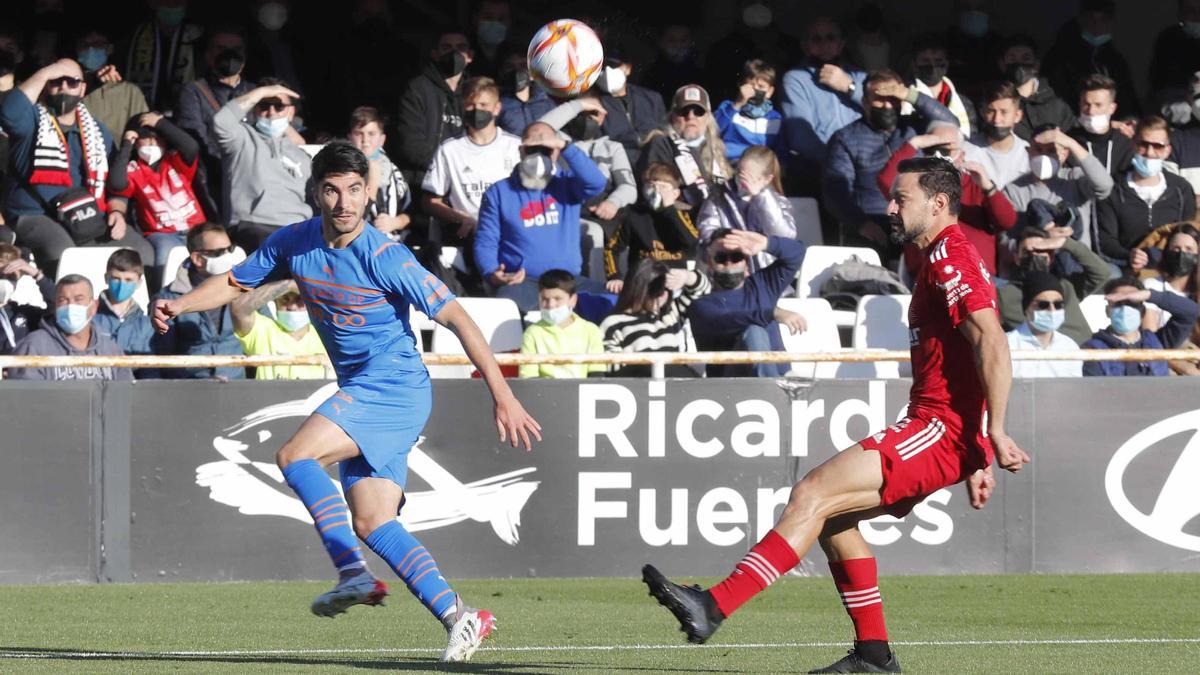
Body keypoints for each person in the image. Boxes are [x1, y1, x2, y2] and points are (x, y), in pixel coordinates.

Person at [151, 141, 541, 663]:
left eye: (355, 189)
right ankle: (459, 616)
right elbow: (233, 282)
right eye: (333, 190)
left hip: (393, 388)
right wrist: (178, 304)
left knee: (295, 456)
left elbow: (458, 318)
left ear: (367, 193)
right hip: (364, 387)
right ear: (316, 192)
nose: (345, 202)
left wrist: (503, 395)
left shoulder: (386, 256)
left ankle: (353, 573)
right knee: (373, 522)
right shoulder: (294, 242)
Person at [642, 157, 1030, 673]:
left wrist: (993, 431)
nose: (890, 208)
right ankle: (874, 656)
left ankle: (714, 606)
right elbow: (969, 354)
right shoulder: (940, 256)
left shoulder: (950, 257)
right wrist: (977, 446)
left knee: (811, 494)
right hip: (946, 431)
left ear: (938, 203)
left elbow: (991, 342)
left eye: (901, 199)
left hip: (939, 430)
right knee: (833, 520)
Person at [0, 58, 153, 279]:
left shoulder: (96, 130)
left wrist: (117, 212)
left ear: (82, 89)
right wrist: (47, 72)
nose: (63, 87)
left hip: (85, 214)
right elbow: (9, 111)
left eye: (71, 82)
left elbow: (116, 184)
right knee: (66, 256)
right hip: (34, 213)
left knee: (142, 253)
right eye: (56, 82)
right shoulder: (31, 119)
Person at [474, 122, 609, 312]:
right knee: (507, 308)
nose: (538, 155)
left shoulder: (567, 184)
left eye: (546, 149)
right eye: (532, 149)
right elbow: (486, 240)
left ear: (555, 152)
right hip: (524, 282)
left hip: (567, 281)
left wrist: (566, 147)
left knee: (609, 302)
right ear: (521, 151)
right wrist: (492, 272)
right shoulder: (499, 192)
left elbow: (596, 183)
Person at [823, 70, 956, 258]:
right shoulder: (845, 138)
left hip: (917, 221)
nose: (887, 105)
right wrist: (862, 224)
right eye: (879, 99)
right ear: (865, 101)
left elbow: (949, 121)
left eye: (892, 98)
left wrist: (908, 94)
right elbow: (835, 190)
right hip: (873, 222)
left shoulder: (913, 128)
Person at [878, 124, 1017, 277]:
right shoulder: (913, 185)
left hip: (974, 274)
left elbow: (1007, 222)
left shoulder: (976, 185)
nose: (938, 156)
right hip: (928, 275)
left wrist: (988, 188)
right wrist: (915, 143)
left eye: (945, 151)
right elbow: (886, 181)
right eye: (931, 150)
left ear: (961, 155)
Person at [422, 76, 520, 274]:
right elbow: (430, 201)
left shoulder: (516, 147)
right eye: (470, 105)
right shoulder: (449, 150)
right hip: (467, 233)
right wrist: (461, 217)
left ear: (497, 108)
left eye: (484, 105)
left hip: (511, 230)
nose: (477, 110)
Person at [687, 229, 807, 378]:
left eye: (736, 257)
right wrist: (772, 313)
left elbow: (797, 252)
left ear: (746, 262)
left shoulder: (763, 285)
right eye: (721, 258)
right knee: (754, 332)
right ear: (710, 263)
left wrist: (766, 243)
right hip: (731, 385)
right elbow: (728, 320)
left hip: (782, 378)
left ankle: (777, 383)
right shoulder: (701, 306)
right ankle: (772, 386)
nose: (729, 263)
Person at [107, 111, 205, 289]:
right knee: (166, 259)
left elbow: (191, 146)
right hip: (162, 234)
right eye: (146, 138)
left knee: (214, 256)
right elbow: (117, 183)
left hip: (196, 229)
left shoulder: (175, 161)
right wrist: (127, 145)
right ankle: (163, 297)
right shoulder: (133, 170)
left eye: (157, 138)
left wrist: (161, 124)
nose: (152, 143)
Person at [212, 79, 313, 252]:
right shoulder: (241, 138)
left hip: (298, 227)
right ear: (254, 109)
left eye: (279, 106)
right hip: (254, 226)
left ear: (291, 113)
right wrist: (261, 92)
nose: (271, 112)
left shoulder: (301, 155)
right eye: (264, 105)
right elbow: (221, 122)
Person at [539, 93, 638, 253]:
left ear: (603, 117)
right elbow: (539, 129)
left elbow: (629, 187)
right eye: (582, 112)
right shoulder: (556, 142)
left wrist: (613, 203)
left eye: (594, 113)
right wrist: (577, 105)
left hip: (602, 213)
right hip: (565, 210)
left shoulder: (612, 148)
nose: (587, 118)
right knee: (592, 232)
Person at [780, 17, 868, 195]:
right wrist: (841, 163)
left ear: (841, 44)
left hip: (865, 167)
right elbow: (802, 138)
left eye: (831, 38)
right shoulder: (796, 79)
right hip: (822, 171)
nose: (824, 45)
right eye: (816, 39)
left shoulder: (859, 77)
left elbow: (881, 111)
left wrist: (850, 87)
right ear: (805, 46)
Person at [1097, 116, 1197, 272]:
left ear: (1167, 151)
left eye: (1158, 146)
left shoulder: (1181, 189)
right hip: (1126, 269)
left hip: (1171, 269)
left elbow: (1189, 233)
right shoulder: (1113, 188)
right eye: (1143, 145)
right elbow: (1105, 239)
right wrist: (1129, 255)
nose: (1149, 153)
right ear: (1133, 145)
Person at [174, 25, 254, 213]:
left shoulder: (256, 92)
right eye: (221, 49)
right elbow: (195, 138)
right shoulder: (193, 92)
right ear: (208, 56)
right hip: (213, 180)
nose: (230, 55)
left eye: (236, 50)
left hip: (253, 179)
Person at [152, 223, 245, 380]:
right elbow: (164, 355)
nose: (227, 256)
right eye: (219, 253)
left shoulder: (244, 288)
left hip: (237, 384)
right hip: (191, 386)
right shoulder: (169, 299)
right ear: (197, 259)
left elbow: (265, 335)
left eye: (229, 249)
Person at [1003, 126, 1114, 255]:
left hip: (1076, 263)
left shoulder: (1074, 179)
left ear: (1065, 154)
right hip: (1036, 263)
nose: (1044, 156)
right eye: (1038, 149)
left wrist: (1072, 144)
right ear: (1028, 151)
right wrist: (1042, 238)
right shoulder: (1013, 190)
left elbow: (1104, 186)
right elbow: (1007, 241)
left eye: (1051, 150)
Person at [8, 274, 133, 381]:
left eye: (78, 299)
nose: (71, 306)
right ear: (55, 306)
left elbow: (126, 395)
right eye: (63, 300)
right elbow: (26, 398)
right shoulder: (32, 348)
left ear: (94, 307)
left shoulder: (111, 351)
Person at [997, 229, 1111, 346]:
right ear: (1016, 258)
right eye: (1027, 252)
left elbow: (1102, 273)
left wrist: (1066, 243)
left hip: (1082, 350)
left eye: (1041, 250)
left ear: (1051, 258)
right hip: (1035, 353)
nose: (1034, 255)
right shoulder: (1004, 295)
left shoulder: (1066, 285)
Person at [600, 260, 710, 378]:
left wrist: (686, 276)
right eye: (657, 290)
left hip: (677, 382)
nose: (663, 295)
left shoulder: (672, 313)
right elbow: (610, 367)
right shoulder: (612, 323)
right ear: (639, 289)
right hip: (640, 383)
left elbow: (703, 291)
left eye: (666, 289)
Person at [699, 145, 797, 272]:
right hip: (729, 269)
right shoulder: (718, 197)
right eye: (739, 174)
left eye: (750, 178)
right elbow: (706, 232)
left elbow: (785, 237)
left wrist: (761, 197)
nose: (742, 182)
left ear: (767, 179)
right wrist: (732, 245)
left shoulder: (778, 202)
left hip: (767, 271)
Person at [395, 29, 471, 190]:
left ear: (470, 56)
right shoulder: (417, 89)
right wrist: (454, 165)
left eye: (460, 47)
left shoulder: (474, 91)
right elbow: (411, 147)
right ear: (435, 54)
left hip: (466, 182)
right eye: (447, 47)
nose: (454, 53)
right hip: (423, 182)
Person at [604, 163, 700, 290]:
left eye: (663, 187)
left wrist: (669, 210)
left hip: (675, 281)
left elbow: (692, 243)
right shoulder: (634, 214)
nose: (656, 191)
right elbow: (612, 249)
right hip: (643, 282)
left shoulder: (683, 215)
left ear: (675, 193)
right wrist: (615, 276)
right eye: (651, 186)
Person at [636, 85, 733, 207]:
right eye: (684, 111)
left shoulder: (716, 148)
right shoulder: (661, 143)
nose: (691, 116)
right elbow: (658, 196)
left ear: (708, 117)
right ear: (672, 116)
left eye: (698, 111)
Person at [1041, 0, 1140, 120]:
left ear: (1111, 23)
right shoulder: (1060, 56)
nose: (1096, 25)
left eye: (1103, 19)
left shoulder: (1116, 61)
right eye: (1091, 18)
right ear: (1081, 20)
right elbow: (1054, 97)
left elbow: (1127, 99)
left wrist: (1128, 119)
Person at [1082, 276, 1199, 375]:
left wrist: (1150, 295)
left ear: (1142, 311)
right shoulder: (1093, 349)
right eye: (1118, 303)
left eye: (1132, 303)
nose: (1125, 309)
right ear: (1107, 311)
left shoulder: (1158, 341)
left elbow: (1190, 311)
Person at [231, 278, 330, 380]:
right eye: (285, 300)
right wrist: (289, 285)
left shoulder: (327, 335)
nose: (292, 307)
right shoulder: (264, 331)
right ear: (275, 303)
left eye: (299, 300)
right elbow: (239, 308)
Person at [518, 270, 604, 379]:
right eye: (545, 299)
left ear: (573, 300)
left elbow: (597, 375)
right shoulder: (532, 333)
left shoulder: (591, 331)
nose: (551, 305)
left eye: (557, 299)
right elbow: (528, 377)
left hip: (581, 389)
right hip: (544, 389)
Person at [120, 0, 203, 111]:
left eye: (178, 3)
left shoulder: (199, 38)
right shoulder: (134, 36)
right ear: (152, 3)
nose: (173, 7)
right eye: (167, 3)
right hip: (142, 110)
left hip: (184, 112)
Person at [594, 43, 667, 168]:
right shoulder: (592, 104)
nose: (607, 71)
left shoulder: (652, 99)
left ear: (628, 68)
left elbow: (665, 136)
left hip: (655, 168)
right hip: (616, 169)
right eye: (602, 67)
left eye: (614, 66)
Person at [1142, 224, 1200, 375]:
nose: (1182, 254)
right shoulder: (1152, 286)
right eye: (1176, 249)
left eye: (1189, 249)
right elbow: (1151, 341)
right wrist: (1186, 368)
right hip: (1166, 357)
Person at [347, 106, 411, 241]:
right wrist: (373, 179)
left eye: (371, 134)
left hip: (394, 242)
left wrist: (396, 222)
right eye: (359, 133)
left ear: (382, 139)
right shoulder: (343, 171)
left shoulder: (394, 172)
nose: (365, 141)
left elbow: (412, 213)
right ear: (350, 137)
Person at [1005, 271, 1083, 378]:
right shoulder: (1007, 345)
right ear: (1027, 308)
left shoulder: (1070, 347)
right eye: (1043, 305)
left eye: (1058, 304)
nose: (1052, 310)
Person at [998, 35, 1076, 140]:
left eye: (1026, 58)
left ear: (1037, 65)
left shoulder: (1058, 101)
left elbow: (1073, 137)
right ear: (1002, 64)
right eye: (1012, 59)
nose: (1019, 64)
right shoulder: (995, 101)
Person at [91, 248, 155, 377]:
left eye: (128, 280)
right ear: (106, 278)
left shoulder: (146, 325)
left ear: (139, 283)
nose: (121, 285)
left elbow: (150, 370)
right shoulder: (90, 316)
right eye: (116, 278)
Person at [76, 29, 150, 138]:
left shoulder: (129, 92)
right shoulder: (69, 86)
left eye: (97, 44)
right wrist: (94, 81)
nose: (90, 49)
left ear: (109, 48)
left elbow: (143, 132)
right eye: (84, 45)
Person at [713, 59, 786, 163]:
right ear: (741, 85)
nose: (755, 90)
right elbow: (714, 130)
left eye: (761, 87)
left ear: (770, 92)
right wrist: (737, 104)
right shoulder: (728, 108)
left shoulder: (775, 118)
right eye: (751, 85)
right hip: (728, 163)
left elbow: (780, 151)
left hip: (759, 166)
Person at [905, 32, 977, 137]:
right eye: (925, 61)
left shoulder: (964, 103)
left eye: (938, 60)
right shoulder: (903, 99)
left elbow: (972, 139)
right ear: (914, 65)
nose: (932, 66)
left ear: (946, 64)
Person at [963, 82, 1030, 190]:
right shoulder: (966, 152)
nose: (997, 119)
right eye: (991, 111)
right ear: (983, 113)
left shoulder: (1028, 155)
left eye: (1004, 112)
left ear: (1017, 116)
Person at [1068, 74, 1134, 176]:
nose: (1091, 111)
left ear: (1112, 108)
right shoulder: (1070, 142)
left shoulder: (1125, 144)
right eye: (1086, 104)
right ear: (1080, 104)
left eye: (1098, 105)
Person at [0, 244, 54, 355]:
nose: (4, 281)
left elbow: (60, 305)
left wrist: (36, 274)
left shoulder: (23, 314)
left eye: (11, 277)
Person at [944, 0, 1003, 100]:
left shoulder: (998, 43)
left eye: (979, 8)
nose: (974, 13)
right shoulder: (947, 42)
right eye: (967, 8)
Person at [1148, 0, 1200, 107]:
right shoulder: (1168, 39)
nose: (1197, 17)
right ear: (1180, 15)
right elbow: (1161, 80)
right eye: (1190, 11)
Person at [496, 43, 554, 137]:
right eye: (510, 66)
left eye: (523, 66)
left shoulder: (549, 100)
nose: (517, 71)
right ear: (501, 71)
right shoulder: (495, 104)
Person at [643, 24, 703, 104]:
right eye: (671, 40)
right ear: (661, 43)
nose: (678, 46)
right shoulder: (650, 79)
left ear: (691, 43)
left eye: (683, 40)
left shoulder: (701, 78)